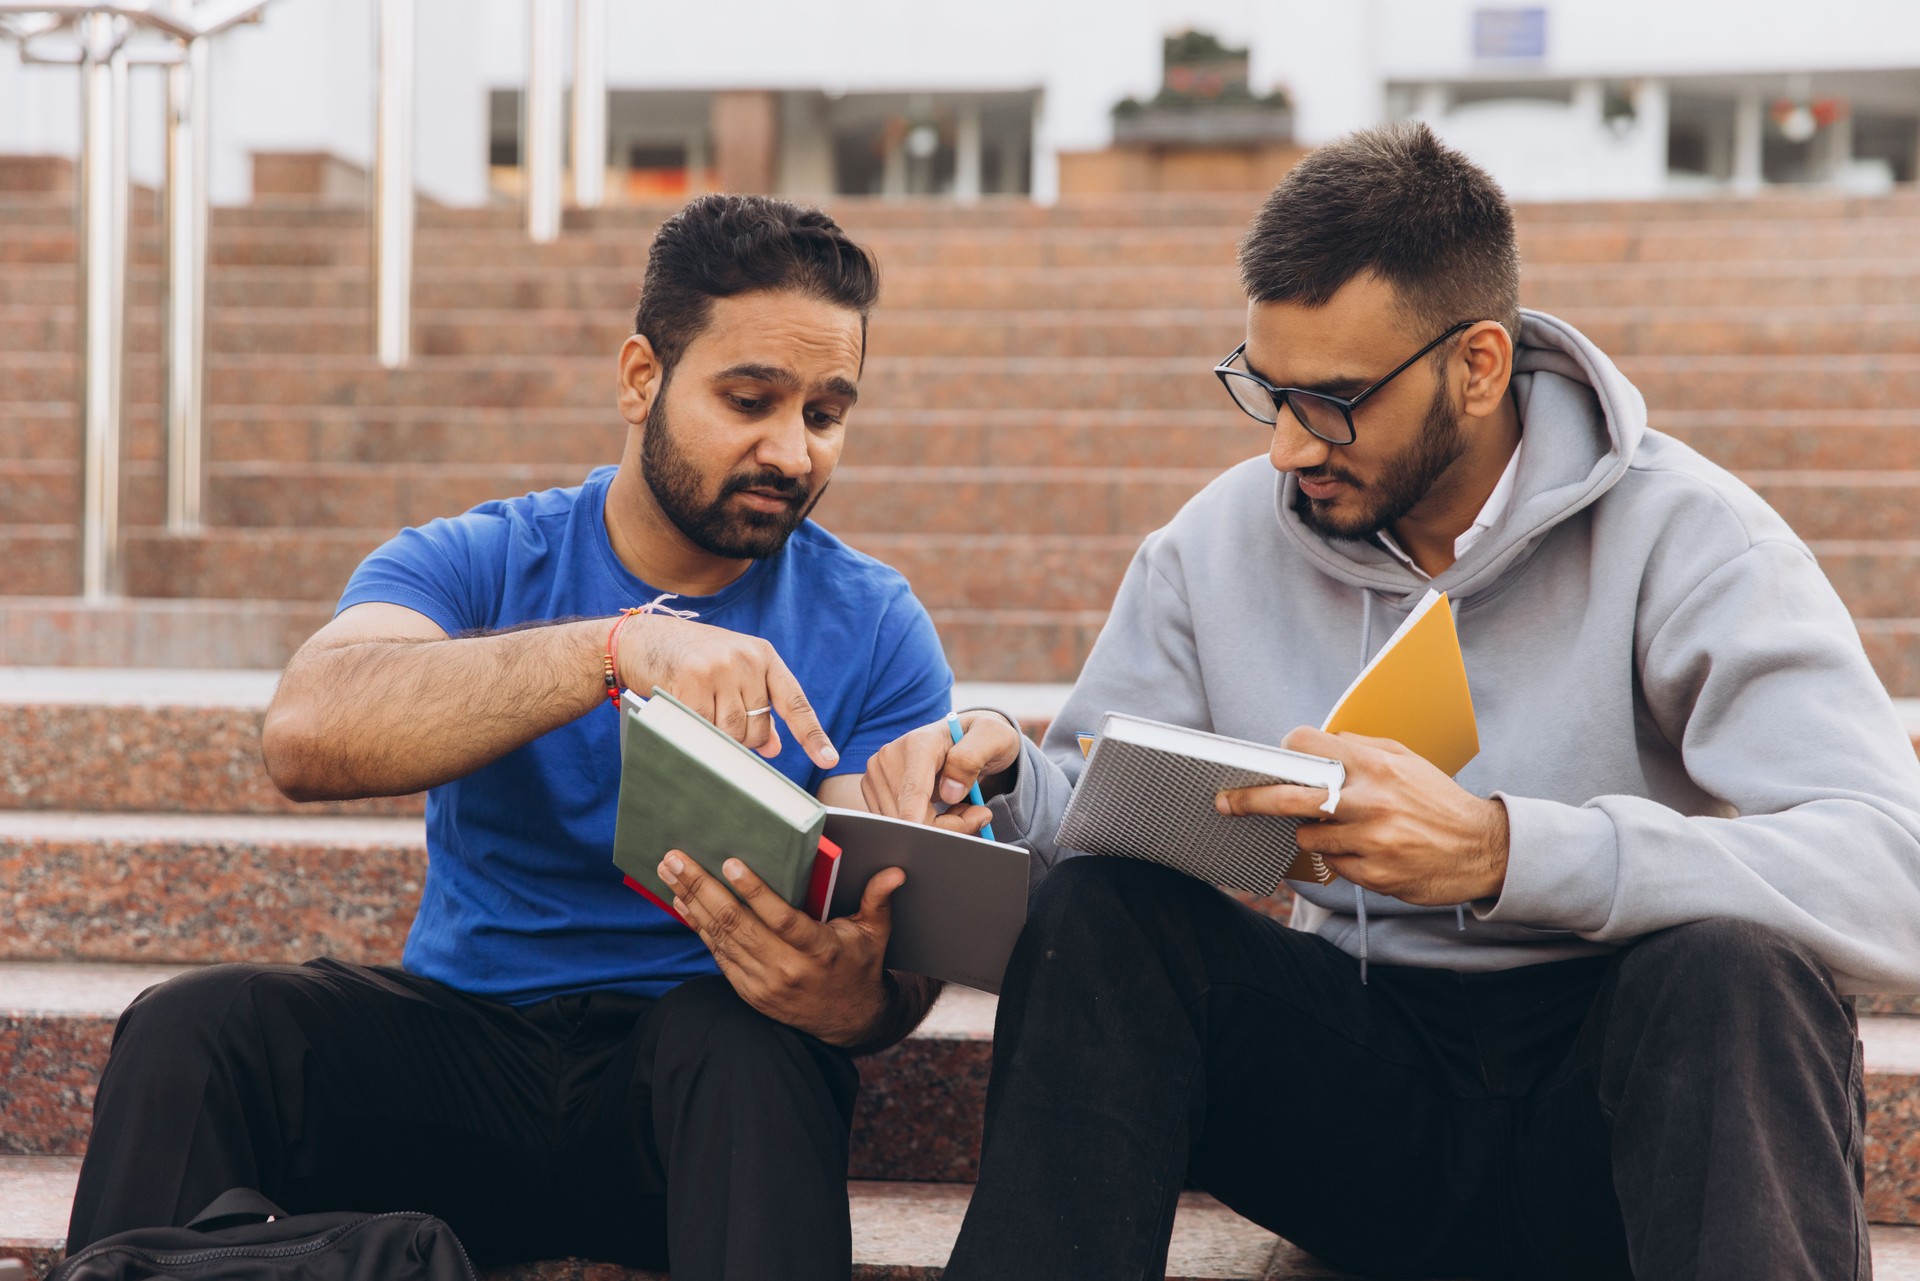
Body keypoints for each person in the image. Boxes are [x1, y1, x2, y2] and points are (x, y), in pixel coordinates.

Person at [862, 123, 1920, 1281]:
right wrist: (1010, 775)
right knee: (1107, 917)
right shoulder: (1211, 548)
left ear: (1475, 365)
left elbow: (1893, 873)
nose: (1284, 446)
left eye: (1330, 401)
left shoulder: (1690, 535)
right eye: (1265, 391)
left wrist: (1506, 850)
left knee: (1737, 972)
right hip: (1358, 1100)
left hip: (1626, 1121)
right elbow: (1097, 836)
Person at [66, 195, 955, 1281]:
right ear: (642, 378)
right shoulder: (479, 559)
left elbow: (901, 950)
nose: (789, 449)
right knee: (196, 1029)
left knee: (755, 1052)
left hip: (686, 1103)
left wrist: (855, 1001)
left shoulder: (874, 621)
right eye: (750, 398)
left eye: (825, 413)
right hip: (459, 1062)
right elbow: (306, 730)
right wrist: (615, 652)